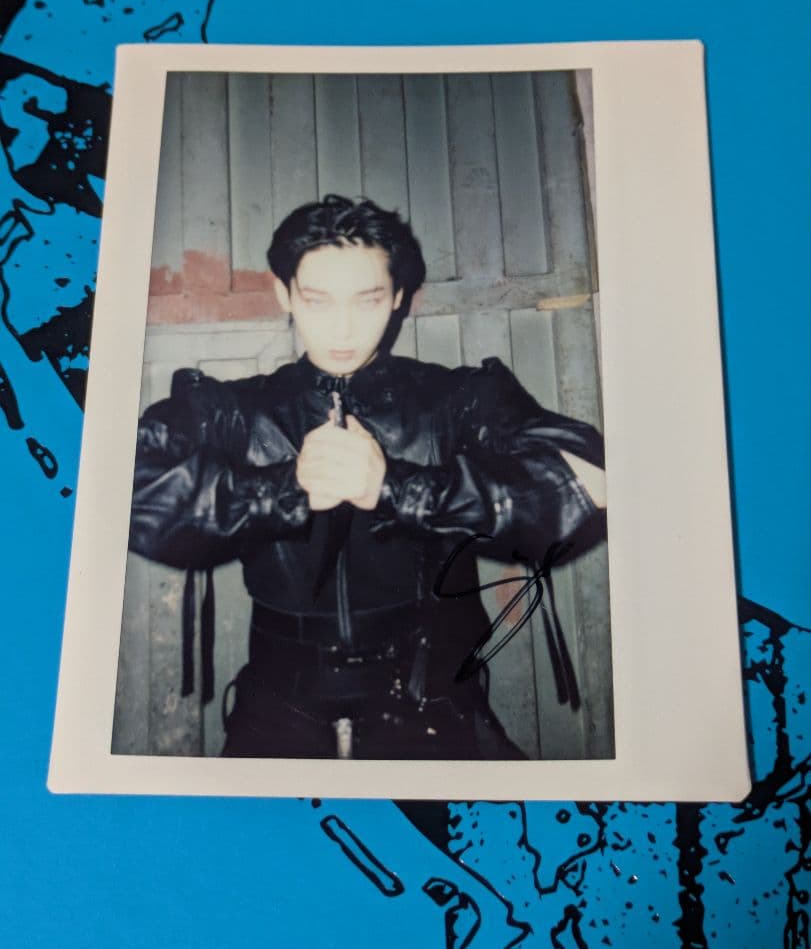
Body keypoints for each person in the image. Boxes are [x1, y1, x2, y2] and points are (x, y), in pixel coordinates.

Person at [129, 194, 606, 760]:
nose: (343, 327)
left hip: (431, 706)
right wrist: (283, 490)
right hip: (278, 712)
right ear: (284, 294)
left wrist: (394, 487)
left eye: (368, 300)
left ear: (398, 296)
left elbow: (590, 479)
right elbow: (124, 491)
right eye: (318, 300)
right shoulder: (232, 409)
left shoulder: (458, 398)